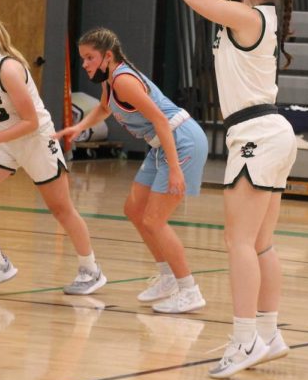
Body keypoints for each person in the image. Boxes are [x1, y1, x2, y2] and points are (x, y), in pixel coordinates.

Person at [163, 0, 298, 378]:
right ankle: (269, 332)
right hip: (272, 133)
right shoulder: (252, 9)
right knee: (260, 244)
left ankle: (243, 341)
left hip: (258, 134)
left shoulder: (246, 16)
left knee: (239, 242)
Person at [0, 10, 105, 295]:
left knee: (61, 208)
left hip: (35, 138)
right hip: (3, 138)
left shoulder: (8, 68)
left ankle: (91, 270)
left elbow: (29, 121)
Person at [56, 28, 208, 314]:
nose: (85, 64)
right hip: (162, 144)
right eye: (83, 59)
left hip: (181, 140)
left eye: (90, 58)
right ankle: (167, 278)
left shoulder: (124, 81)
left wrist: (175, 169)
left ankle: (189, 290)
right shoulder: (109, 82)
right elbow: (104, 109)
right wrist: (79, 126)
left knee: (154, 220)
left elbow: (161, 121)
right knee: (134, 210)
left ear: (108, 56)